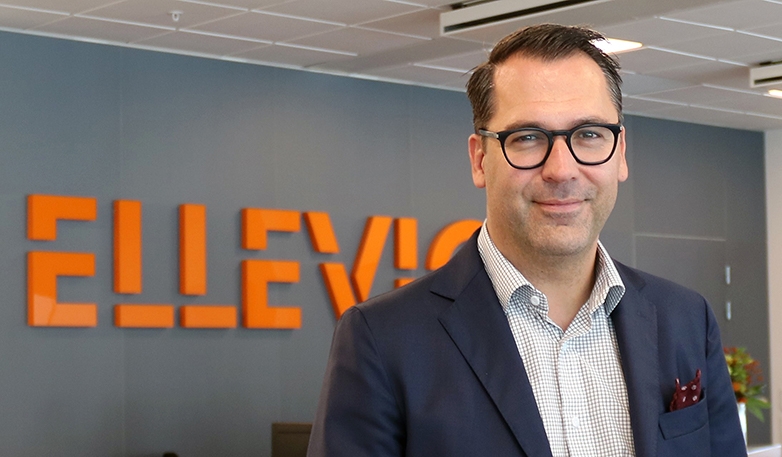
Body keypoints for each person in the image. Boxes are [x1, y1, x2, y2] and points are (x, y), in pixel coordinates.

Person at [307, 24, 745, 457]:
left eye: (589, 134)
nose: (561, 170)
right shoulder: (384, 339)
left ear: (620, 152)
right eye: (528, 138)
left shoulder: (685, 319)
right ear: (480, 159)